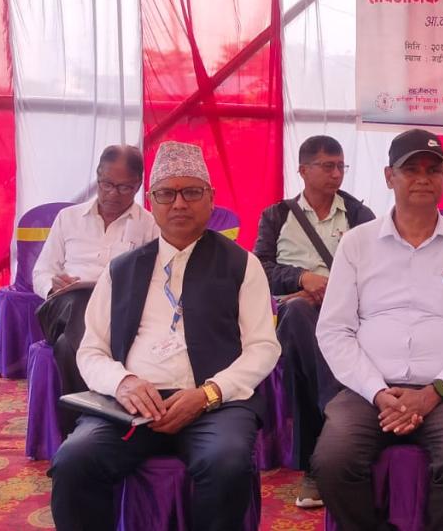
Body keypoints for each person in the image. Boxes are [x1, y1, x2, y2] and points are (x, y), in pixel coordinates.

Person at [48, 141, 280, 531]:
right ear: (151, 203)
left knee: (226, 462)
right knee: (75, 461)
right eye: (166, 194)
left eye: (192, 192)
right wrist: (123, 383)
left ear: (211, 199)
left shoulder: (242, 264)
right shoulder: (121, 270)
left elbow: (262, 347)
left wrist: (208, 393)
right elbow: (91, 350)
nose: (179, 204)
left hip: (214, 404)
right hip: (133, 404)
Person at [313, 129, 443, 531]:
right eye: (411, 169)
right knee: (331, 462)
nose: (423, 178)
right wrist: (376, 391)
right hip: (368, 392)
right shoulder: (357, 243)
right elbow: (334, 330)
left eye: (433, 170)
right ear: (389, 176)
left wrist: (434, 392)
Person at [253, 134, 376, 508]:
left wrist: (330, 290)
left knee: (303, 328)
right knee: (297, 314)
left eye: (340, 166)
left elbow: (377, 269)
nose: (336, 174)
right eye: (327, 166)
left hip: (350, 313)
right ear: (303, 170)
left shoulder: (358, 215)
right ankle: (335, 419)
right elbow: (260, 269)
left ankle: (317, 463)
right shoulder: (277, 216)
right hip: (296, 314)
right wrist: (302, 279)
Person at [33, 145, 159, 435]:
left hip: (117, 314)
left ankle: (79, 426)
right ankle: (104, 414)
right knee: (80, 299)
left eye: (124, 187)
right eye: (106, 184)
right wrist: (52, 285)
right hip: (64, 306)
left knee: (66, 346)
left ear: (138, 184)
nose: (113, 194)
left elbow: (153, 279)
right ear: (98, 176)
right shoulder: (68, 217)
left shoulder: (149, 225)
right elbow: (40, 272)